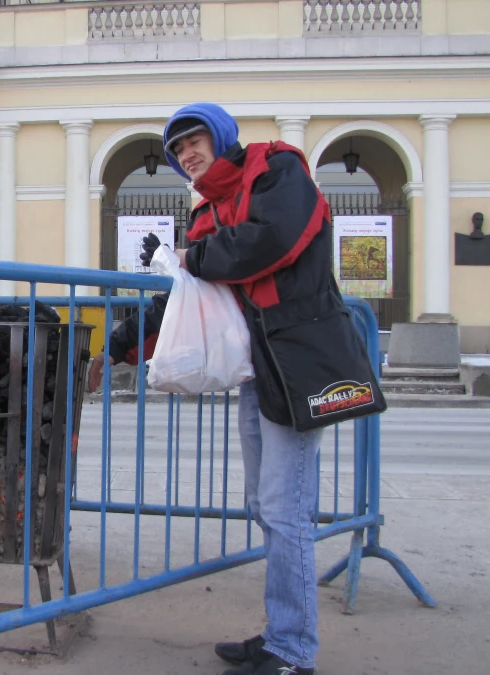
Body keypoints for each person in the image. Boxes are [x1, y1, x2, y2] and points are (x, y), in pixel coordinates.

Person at [87, 103, 382, 675]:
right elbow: (179, 297)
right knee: (267, 507)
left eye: (194, 141)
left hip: (300, 363)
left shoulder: (276, 171)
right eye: (177, 151)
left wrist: (190, 258)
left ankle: (294, 651)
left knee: (286, 508)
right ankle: (281, 633)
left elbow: (272, 240)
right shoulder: (207, 215)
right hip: (261, 373)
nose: (186, 154)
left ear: (221, 137)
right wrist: (119, 346)